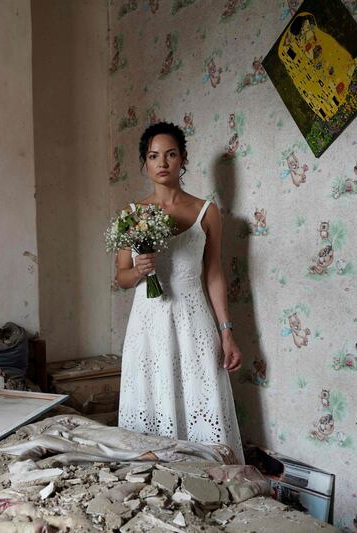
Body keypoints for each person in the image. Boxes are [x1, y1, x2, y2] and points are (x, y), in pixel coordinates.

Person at [115, 121, 244, 463]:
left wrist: (227, 333)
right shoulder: (132, 215)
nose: (162, 162)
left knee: (201, 398)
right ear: (145, 163)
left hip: (193, 320)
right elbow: (122, 277)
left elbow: (214, 275)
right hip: (148, 322)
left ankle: (209, 481)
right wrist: (139, 271)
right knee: (152, 398)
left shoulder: (207, 212)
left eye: (171, 154)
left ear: (183, 159)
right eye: (154, 156)